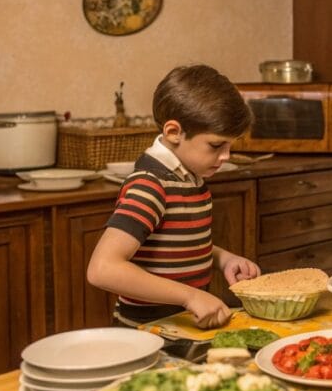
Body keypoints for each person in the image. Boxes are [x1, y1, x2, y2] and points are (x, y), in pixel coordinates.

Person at [88, 64, 260, 329]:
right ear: (173, 132)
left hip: (180, 326)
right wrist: (190, 296)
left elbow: (171, 246)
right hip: (147, 332)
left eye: (230, 145)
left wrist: (223, 258)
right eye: (216, 145)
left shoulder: (189, 179)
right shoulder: (150, 186)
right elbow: (103, 269)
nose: (226, 156)